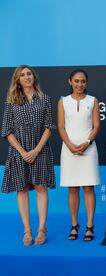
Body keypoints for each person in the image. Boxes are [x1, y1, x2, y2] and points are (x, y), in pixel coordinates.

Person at [1, 65, 56, 245]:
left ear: (34, 77)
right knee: (22, 189)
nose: (26, 77)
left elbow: (49, 126)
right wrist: (23, 152)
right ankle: (27, 230)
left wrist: (36, 150)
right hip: (19, 152)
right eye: (22, 75)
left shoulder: (45, 99)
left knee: (41, 187)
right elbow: (7, 130)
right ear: (17, 80)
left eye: (29, 74)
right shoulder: (11, 101)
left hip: (40, 150)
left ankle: (41, 228)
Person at [57, 69, 100, 241]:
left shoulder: (93, 101)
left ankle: (90, 226)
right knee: (72, 188)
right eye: (76, 81)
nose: (79, 84)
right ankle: (74, 225)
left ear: (86, 83)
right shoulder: (63, 102)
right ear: (70, 82)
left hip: (88, 149)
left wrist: (86, 143)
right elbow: (61, 126)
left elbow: (96, 126)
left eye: (83, 81)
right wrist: (69, 145)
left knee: (89, 188)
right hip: (68, 150)